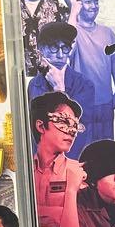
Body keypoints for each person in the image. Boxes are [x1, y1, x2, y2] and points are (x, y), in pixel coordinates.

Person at [31, 91, 86, 227]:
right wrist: (58, 215)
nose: (71, 131)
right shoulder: (23, 173)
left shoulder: (79, 174)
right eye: (63, 122)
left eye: (75, 125)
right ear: (41, 126)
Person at [27, 22, 94, 156]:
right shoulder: (34, 84)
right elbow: (36, 129)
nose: (60, 54)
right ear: (41, 48)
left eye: (65, 48)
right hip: (43, 160)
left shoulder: (85, 84)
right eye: (53, 47)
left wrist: (59, 88)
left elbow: (80, 128)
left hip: (73, 158)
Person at [68, 0, 115, 146]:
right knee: (84, 150)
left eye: (96, 2)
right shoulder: (73, 31)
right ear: (78, 3)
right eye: (88, 1)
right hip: (82, 104)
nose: (94, 6)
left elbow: (114, 63)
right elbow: (68, 49)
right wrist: (73, 12)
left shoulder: (108, 32)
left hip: (106, 102)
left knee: (107, 147)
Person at [20, 0, 71, 77]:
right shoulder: (10, 3)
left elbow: (78, 22)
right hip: (19, 78)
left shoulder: (54, 6)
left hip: (49, 78)